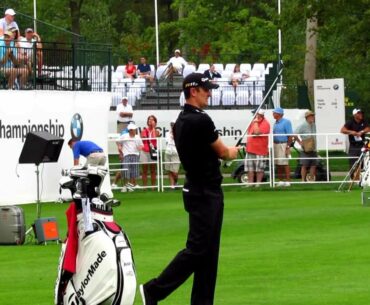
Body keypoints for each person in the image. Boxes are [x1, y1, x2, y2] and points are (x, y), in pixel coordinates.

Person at [140, 73, 240, 305]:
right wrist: (235, 152)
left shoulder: (182, 119)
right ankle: (153, 290)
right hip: (206, 192)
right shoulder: (201, 120)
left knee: (208, 254)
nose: (210, 93)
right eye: (206, 89)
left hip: (198, 189)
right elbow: (224, 152)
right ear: (193, 91)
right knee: (198, 251)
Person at [245, 109, 270, 186]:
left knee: (259, 169)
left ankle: (258, 184)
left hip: (260, 150)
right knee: (250, 168)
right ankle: (250, 183)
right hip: (250, 149)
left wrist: (255, 122)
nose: (253, 115)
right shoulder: (252, 122)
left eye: (255, 114)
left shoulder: (265, 123)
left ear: (260, 115)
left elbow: (256, 132)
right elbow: (249, 133)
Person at [117, 123, 143, 192]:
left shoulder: (137, 137)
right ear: (129, 130)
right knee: (125, 171)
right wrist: (119, 148)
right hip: (126, 155)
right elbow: (117, 141)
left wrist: (140, 147)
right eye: (131, 130)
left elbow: (141, 145)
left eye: (134, 130)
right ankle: (125, 186)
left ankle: (131, 186)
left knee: (133, 172)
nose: (133, 131)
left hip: (135, 155)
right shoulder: (124, 136)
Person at [273, 107, 293, 187]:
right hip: (276, 144)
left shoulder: (286, 122)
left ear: (279, 114)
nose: (273, 114)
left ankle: (288, 181)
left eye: (274, 113)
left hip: (283, 144)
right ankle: (281, 180)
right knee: (278, 163)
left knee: (285, 163)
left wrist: (288, 146)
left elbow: (290, 135)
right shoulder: (275, 123)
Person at [295, 110, 318, 181]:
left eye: (313, 116)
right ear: (307, 117)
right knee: (304, 165)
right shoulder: (302, 125)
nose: (313, 117)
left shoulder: (314, 124)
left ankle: (311, 180)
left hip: (313, 148)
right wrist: (300, 142)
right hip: (305, 148)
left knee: (313, 165)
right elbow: (294, 134)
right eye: (311, 116)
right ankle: (303, 180)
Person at [140, 115, 160, 188]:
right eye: (149, 119)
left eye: (152, 120)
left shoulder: (157, 131)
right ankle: (145, 186)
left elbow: (155, 138)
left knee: (153, 170)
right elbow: (144, 139)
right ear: (147, 121)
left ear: (155, 122)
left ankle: (153, 186)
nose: (150, 121)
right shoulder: (144, 130)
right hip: (145, 151)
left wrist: (154, 128)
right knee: (144, 170)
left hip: (153, 151)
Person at [165, 119, 180, 189]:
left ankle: (176, 182)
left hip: (176, 152)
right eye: (171, 124)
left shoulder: (180, 132)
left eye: (173, 124)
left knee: (174, 171)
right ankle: (172, 185)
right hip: (168, 152)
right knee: (169, 170)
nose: (172, 125)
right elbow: (167, 141)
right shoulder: (167, 133)